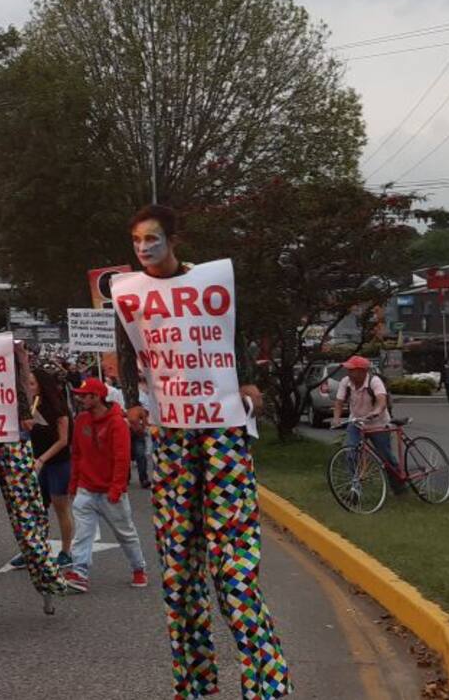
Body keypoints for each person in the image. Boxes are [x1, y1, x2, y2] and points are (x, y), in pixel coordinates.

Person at [116, 204, 289, 699]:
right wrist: (131, 400)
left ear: (174, 240)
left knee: (234, 573)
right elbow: (127, 354)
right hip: (171, 437)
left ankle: (268, 685)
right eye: (136, 241)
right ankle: (194, 684)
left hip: (222, 435)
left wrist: (251, 384)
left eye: (152, 238)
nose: (144, 248)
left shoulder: (213, 283)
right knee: (178, 570)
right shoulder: (129, 296)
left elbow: (233, 338)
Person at [0, 313, 67, 631]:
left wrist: (23, 412)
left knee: (29, 523)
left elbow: (23, 379)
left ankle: (48, 585)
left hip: (12, 441)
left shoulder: (4, 345)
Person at [65, 377, 147, 592]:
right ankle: (79, 573)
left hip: (110, 491)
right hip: (86, 489)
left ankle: (139, 569)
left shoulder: (117, 422)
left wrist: (116, 488)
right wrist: (74, 485)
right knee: (82, 533)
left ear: (97, 397)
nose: (80, 399)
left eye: (84, 396)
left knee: (126, 534)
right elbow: (77, 454)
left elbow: (122, 458)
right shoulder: (81, 419)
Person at [9, 367, 74, 570]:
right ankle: (34, 549)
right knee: (35, 508)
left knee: (60, 507)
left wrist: (43, 459)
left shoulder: (59, 408)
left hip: (57, 463)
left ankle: (66, 551)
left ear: (42, 384)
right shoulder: (30, 406)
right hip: (37, 462)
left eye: (32, 383)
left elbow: (63, 441)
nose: (28, 387)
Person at [333, 356, 403, 491]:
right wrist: (336, 418)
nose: (348, 372)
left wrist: (376, 411)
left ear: (362, 371)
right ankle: (355, 485)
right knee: (349, 451)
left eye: (351, 369)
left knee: (386, 457)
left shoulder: (374, 381)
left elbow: (381, 400)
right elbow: (339, 401)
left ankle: (398, 485)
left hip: (378, 424)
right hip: (357, 422)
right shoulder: (345, 382)